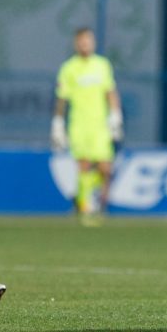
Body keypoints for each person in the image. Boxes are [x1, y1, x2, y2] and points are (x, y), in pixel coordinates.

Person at [51, 27, 123, 220]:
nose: (85, 44)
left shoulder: (102, 65)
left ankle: (86, 198)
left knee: (105, 169)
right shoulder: (69, 68)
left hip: (100, 125)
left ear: (93, 43)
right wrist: (58, 124)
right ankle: (85, 207)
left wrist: (116, 116)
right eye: (82, 41)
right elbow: (62, 98)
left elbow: (110, 92)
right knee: (83, 165)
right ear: (76, 43)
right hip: (79, 125)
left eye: (88, 40)